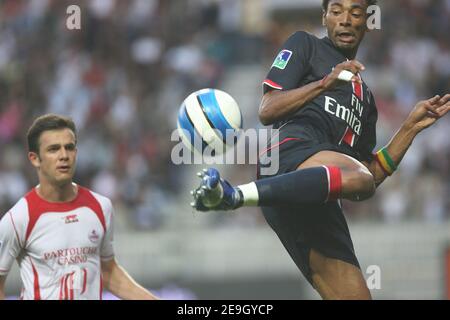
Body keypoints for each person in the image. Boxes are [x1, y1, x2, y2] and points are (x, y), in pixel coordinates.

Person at [191, 0, 450, 300]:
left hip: (317, 199)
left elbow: (369, 177)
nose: (345, 20)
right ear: (324, 17)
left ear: (367, 21)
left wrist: (410, 129)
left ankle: (236, 195)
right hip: (288, 156)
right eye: (337, 11)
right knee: (358, 176)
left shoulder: (366, 100)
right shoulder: (306, 45)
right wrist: (324, 84)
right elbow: (268, 109)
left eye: (355, 13)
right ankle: (233, 195)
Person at [0, 114, 158, 300]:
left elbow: (108, 273)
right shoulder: (19, 218)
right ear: (35, 159)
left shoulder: (100, 207)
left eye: (69, 147)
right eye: (53, 149)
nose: (64, 156)